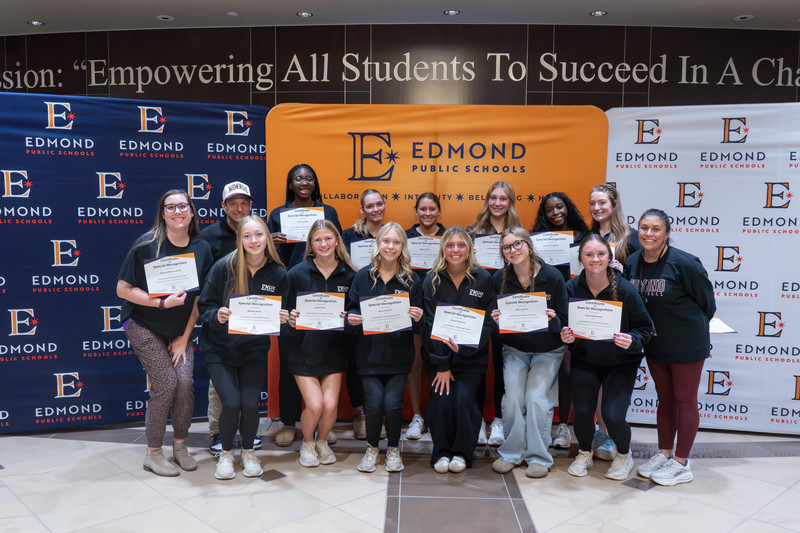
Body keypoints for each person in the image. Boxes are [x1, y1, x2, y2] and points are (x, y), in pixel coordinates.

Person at [116, 189, 213, 477]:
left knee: (184, 383)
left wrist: (184, 338)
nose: (177, 211)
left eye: (183, 206)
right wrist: (161, 303)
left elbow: (200, 299)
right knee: (167, 382)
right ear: (163, 213)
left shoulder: (202, 248)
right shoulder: (147, 245)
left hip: (179, 331)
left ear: (192, 212)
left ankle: (180, 446)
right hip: (143, 324)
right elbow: (122, 289)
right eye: (170, 207)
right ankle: (153, 453)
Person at [624, 209, 716, 486]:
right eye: (644, 228)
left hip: (687, 343)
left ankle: (681, 462)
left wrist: (687, 326)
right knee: (664, 399)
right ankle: (664, 454)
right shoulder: (633, 261)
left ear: (667, 233)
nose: (649, 234)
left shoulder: (685, 263)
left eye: (656, 229)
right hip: (655, 342)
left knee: (685, 400)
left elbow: (708, 304)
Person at [198, 215, 289, 480]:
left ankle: (248, 452)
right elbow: (205, 305)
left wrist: (284, 318)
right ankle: (226, 454)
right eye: (247, 236)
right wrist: (217, 315)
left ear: (267, 238)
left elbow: (283, 314)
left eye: (259, 235)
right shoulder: (224, 266)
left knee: (250, 404)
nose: (253, 241)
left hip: (253, 348)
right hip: (219, 347)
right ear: (240, 240)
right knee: (231, 402)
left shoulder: (278, 273)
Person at [560, 234, 654, 481]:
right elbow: (562, 325)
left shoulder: (625, 289)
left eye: (601, 254)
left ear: (609, 257)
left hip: (620, 362)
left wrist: (632, 339)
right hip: (586, 359)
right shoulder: (571, 288)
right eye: (589, 254)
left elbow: (646, 329)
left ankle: (624, 454)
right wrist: (565, 335)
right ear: (580, 258)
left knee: (612, 415)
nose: (595, 259)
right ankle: (584, 452)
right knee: (582, 412)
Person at [267, 164, 342, 448]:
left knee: (324, 352)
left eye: (309, 178)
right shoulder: (278, 215)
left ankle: (323, 420)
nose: (304, 182)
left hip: (324, 290)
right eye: (298, 178)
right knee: (291, 358)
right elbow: (266, 257)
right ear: (290, 184)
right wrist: (273, 245)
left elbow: (338, 247)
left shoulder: (328, 212)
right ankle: (288, 421)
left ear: (315, 182)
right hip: (292, 286)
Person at [346, 223, 423, 473]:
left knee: (392, 405)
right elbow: (350, 311)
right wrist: (351, 319)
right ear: (378, 244)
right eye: (386, 241)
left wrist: (419, 317)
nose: (390, 246)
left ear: (403, 247)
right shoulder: (362, 276)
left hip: (398, 356)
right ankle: (371, 448)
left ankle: (392, 449)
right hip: (369, 355)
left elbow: (421, 325)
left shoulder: (412, 279)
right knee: (374, 404)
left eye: (396, 242)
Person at [490, 227, 567, 478]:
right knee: (512, 398)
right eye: (507, 247)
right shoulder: (499, 278)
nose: (513, 250)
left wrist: (554, 320)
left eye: (517, 244)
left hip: (548, 349)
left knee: (536, 398)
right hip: (515, 348)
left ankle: (538, 457)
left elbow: (566, 319)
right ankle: (511, 453)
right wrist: (495, 319)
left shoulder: (552, 276)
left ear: (529, 245)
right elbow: (491, 318)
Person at [423, 226, 496, 473]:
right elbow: (429, 324)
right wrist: (443, 364)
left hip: (471, 358)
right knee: (442, 402)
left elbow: (487, 322)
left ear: (470, 249)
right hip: (438, 358)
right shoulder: (431, 280)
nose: (456, 250)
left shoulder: (483, 278)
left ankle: (462, 453)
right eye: (450, 245)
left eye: (461, 245)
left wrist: (464, 350)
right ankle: (441, 452)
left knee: (465, 402)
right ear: (443, 248)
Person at [285, 220, 357, 467]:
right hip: (302, 350)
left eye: (328, 238)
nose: (323, 244)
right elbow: (283, 315)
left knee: (330, 405)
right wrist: (291, 320)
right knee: (315, 405)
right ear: (311, 244)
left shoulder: (350, 275)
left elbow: (355, 315)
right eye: (318, 240)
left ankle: (322, 441)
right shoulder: (296, 273)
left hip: (334, 350)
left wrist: (350, 318)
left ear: (337, 241)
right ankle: (307, 443)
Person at [200, 181, 261, 456]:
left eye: (244, 203)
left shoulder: (260, 235)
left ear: (251, 205)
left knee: (248, 389)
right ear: (223, 206)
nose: (239, 208)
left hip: (252, 322)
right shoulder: (209, 236)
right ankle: (217, 431)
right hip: (222, 322)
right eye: (233, 203)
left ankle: (248, 430)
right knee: (220, 386)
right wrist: (215, 313)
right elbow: (204, 280)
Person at [531, 192, 590, 450]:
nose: (555, 212)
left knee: (568, 370)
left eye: (560, 207)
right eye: (549, 209)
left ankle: (563, 425)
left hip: (576, 305)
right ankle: (544, 425)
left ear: (568, 208)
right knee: (544, 368)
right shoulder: (536, 241)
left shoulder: (582, 238)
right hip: (545, 307)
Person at [587, 183, 642, 459]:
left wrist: (625, 274)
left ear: (613, 204)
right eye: (593, 203)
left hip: (621, 318)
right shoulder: (587, 237)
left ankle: (613, 431)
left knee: (614, 379)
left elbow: (642, 278)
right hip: (592, 314)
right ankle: (602, 432)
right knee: (595, 376)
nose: (597, 208)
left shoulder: (631, 238)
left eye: (602, 203)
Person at [467, 181, 522, 446]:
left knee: (502, 364)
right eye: (493, 197)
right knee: (476, 362)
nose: (497, 203)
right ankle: (478, 421)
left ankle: (498, 421)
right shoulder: (472, 232)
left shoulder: (518, 233)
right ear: (487, 200)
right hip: (476, 301)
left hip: (506, 303)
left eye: (503, 198)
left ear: (510, 202)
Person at [340, 188, 386, 439]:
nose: (375, 209)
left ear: (384, 204)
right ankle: (359, 413)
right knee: (355, 361)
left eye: (379, 204)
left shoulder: (391, 232)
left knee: (381, 358)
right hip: (355, 301)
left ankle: (378, 413)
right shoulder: (349, 235)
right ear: (362, 209)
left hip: (384, 305)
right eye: (370, 206)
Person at [404, 192, 446, 440]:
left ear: (439, 211)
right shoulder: (406, 237)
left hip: (441, 307)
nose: (427, 213)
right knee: (415, 363)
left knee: (439, 361)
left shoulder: (448, 237)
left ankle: (438, 415)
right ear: (416, 211)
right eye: (423, 209)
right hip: (412, 306)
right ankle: (417, 416)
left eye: (432, 209)